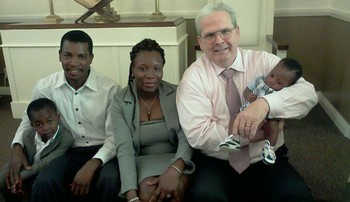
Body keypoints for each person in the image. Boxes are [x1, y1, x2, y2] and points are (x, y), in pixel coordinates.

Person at [176, 2, 318, 202]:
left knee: (296, 197)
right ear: (200, 41)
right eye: (210, 35)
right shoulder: (192, 78)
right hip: (217, 160)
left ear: (237, 32)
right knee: (206, 198)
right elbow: (199, 135)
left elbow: (308, 94)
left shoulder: (266, 62)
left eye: (225, 31)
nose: (219, 40)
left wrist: (264, 104)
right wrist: (253, 133)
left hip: (265, 157)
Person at [6, 30, 122, 202]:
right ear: (59, 55)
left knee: (110, 181)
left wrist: (93, 162)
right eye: (67, 55)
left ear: (91, 57)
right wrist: (17, 147)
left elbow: (115, 136)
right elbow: (27, 119)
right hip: (66, 150)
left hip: (104, 150)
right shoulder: (45, 86)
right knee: (45, 182)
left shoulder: (110, 89)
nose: (74, 63)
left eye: (82, 56)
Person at [111, 38, 194, 202]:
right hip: (142, 161)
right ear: (132, 69)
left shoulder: (177, 93)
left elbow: (186, 136)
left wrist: (175, 169)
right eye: (142, 68)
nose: (150, 75)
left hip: (176, 158)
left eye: (157, 69)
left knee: (174, 191)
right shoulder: (121, 100)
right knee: (147, 192)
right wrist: (131, 195)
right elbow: (124, 148)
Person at [218, 58, 303, 165]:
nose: (272, 81)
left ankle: (269, 148)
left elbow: (292, 98)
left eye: (279, 82)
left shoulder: (283, 92)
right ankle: (232, 139)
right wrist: (248, 95)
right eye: (272, 75)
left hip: (269, 117)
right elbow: (247, 90)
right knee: (236, 119)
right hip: (248, 112)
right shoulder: (259, 80)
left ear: (288, 86)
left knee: (273, 127)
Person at [0, 98, 74, 201]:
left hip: (45, 171)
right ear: (32, 125)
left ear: (57, 118)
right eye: (39, 125)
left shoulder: (66, 138)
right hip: (29, 167)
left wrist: (18, 178)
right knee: (3, 179)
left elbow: (44, 162)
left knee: (37, 186)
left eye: (49, 121)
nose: (46, 128)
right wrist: (11, 174)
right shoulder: (27, 135)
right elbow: (20, 158)